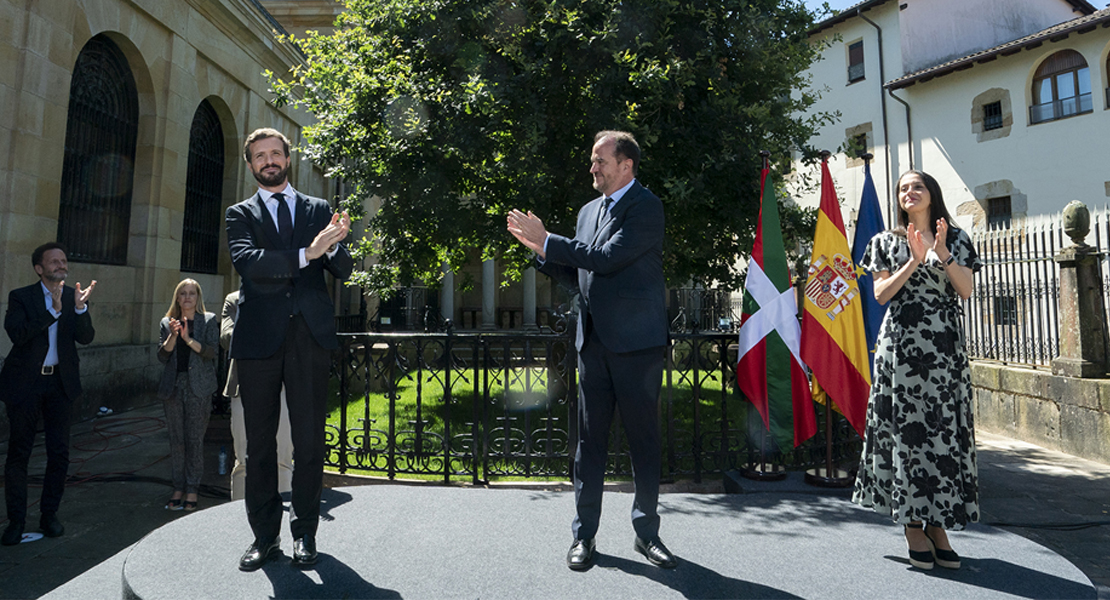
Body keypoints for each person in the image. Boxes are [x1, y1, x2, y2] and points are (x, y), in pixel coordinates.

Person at [507, 130, 674, 570]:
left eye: (601, 160)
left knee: (643, 442)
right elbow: (581, 274)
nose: (593, 168)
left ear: (626, 165)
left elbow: (605, 259)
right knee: (589, 445)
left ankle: (647, 534)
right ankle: (584, 537)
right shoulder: (586, 212)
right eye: (593, 160)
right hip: (592, 345)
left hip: (638, 348)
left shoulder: (647, 207)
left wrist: (549, 240)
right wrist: (543, 254)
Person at [226, 127, 352, 571]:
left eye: (275, 153)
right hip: (258, 341)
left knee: (310, 441)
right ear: (251, 164)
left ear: (287, 158)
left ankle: (305, 534)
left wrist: (334, 245)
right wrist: (308, 252)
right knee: (258, 446)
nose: (269, 161)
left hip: (309, 339)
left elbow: (342, 267)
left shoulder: (318, 209)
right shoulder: (238, 214)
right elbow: (250, 264)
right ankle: (264, 537)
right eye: (260, 156)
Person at [852, 170, 981, 571]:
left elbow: (966, 290)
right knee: (907, 433)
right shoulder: (885, 242)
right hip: (902, 349)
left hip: (944, 349)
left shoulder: (957, 239)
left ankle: (938, 523)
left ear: (931, 194)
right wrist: (911, 260)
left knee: (942, 432)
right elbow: (879, 294)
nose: (909, 192)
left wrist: (940, 253)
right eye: (903, 188)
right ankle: (911, 523)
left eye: (917, 186)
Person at [1, 243, 96, 546]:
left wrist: (80, 309)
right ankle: (15, 521)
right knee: (19, 453)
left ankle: (49, 515)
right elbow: (17, 334)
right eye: (53, 261)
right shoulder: (21, 297)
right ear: (39, 268)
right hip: (25, 385)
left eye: (63, 260)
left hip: (60, 385)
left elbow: (86, 337)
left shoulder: (73, 297)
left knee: (59, 453)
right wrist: (51, 313)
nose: (60, 265)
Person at [220, 290, 294, 501]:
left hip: (282, 386)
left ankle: (284, 515)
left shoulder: (286, 296)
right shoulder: (234, 300)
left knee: (282, 457)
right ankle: (238, 515)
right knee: (244, 459)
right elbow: (226, 338)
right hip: (243, 386)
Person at [156, 279, 219, 512]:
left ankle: (192, 489)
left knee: (194, 440)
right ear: (177, 298)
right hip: (174, 386)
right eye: (183, 293)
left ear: (198, 297)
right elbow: (162, 356)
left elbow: (212, 352)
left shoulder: (209, 320)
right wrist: (174, 336)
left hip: (199, 387)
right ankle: (178, 488)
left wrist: (189, 340)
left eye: (192, 293)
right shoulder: (167, 322)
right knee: (177, 441)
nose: (187, 297)